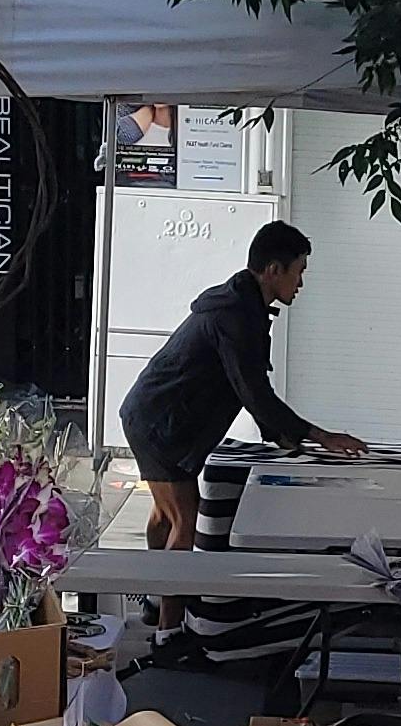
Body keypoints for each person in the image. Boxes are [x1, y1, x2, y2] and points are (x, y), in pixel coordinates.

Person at [118, 220, 365, 553]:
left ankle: (153, 602)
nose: (301, 282)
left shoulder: (245, 306)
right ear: (274, 270)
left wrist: (285, 438)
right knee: (183, 520)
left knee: (166, 517)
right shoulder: (235, 314)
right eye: (299, 271)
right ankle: (167, 604)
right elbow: (253, 391)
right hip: (160, 426)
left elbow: (248, 387)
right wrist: (319, 436)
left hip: (153, 418)